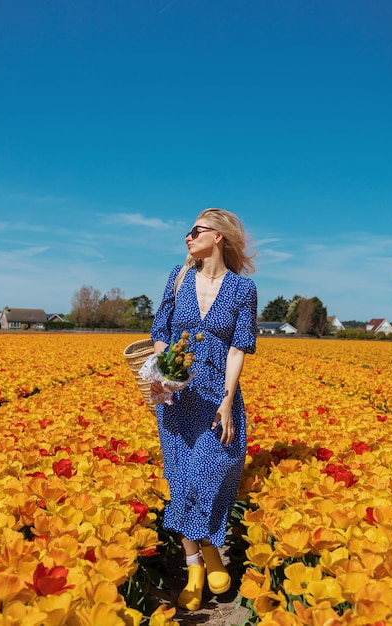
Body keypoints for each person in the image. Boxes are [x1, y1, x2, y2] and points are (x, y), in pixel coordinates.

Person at [150, 207, 257, 611]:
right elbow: (161, 332)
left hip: (217, 398)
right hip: (177, 398)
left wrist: (228, 400)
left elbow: (238, 345)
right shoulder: (177, 279)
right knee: (181, 481)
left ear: (219, 237)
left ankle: (209, 553)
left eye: (196, 230)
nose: (187, 237)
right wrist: (165, 370)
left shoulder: (242, 290)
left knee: (210, 472)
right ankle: (196, 566)